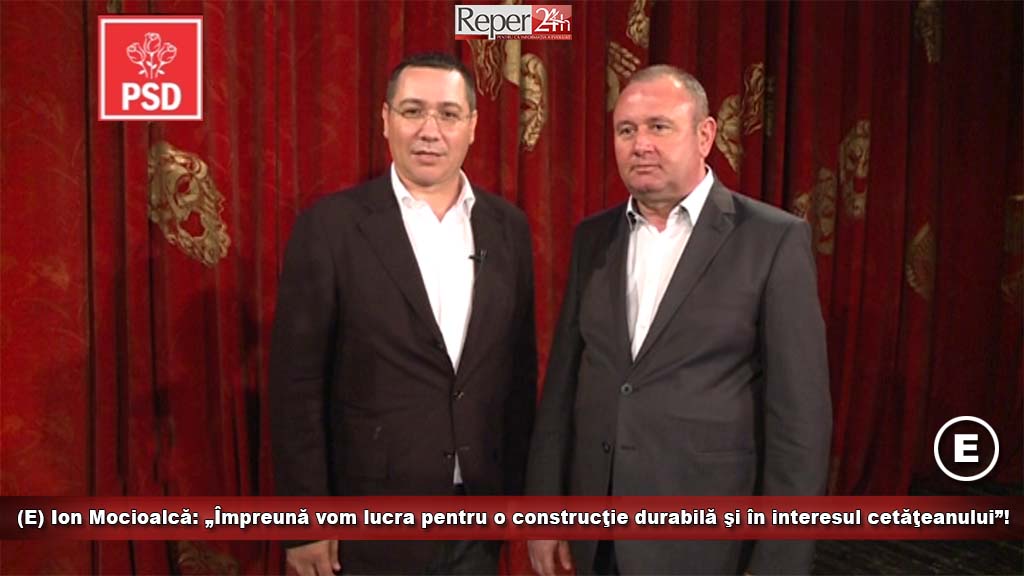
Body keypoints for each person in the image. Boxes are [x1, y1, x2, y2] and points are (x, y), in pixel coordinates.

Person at [525, 65, 831, 575]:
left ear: (705, 135)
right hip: (597, 537)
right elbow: (563, 384)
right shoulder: (592, 238)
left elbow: (800, 424)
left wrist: (780, 561)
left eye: (659, 126)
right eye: (626, 130)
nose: (640, 144)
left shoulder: (772, 240)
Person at [270, 52, 536, 575]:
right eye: (413, 111)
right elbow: (296, 387)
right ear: (386, 119)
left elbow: (520, 374)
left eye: (448, 114)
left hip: (479, 520)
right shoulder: (331, 227)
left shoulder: (509, 228)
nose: (429, 131)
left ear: (472, 126)